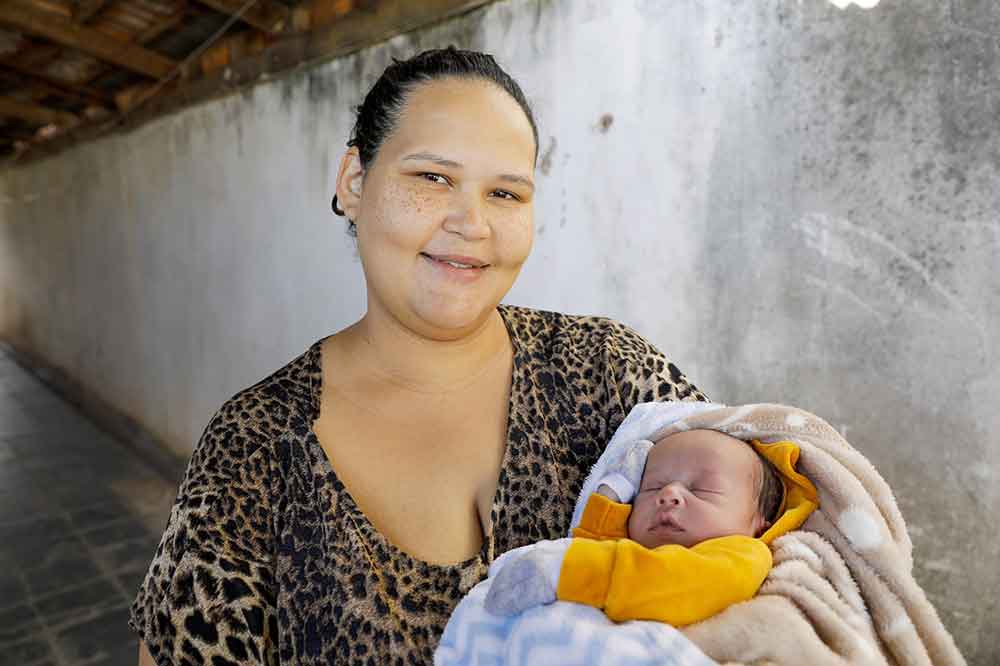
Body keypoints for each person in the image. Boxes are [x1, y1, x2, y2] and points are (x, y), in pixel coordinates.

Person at [131, 47, 707, 666]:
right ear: (354, 183)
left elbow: (781, 552)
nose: (472, 222)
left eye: (506, 193)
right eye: (432, 178)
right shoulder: (254, 447)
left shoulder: (609, 372)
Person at [483, 426, 817, 626]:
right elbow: (594, 550)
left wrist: (568, 574)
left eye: (701, 489)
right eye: (652, 486)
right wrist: (612, 497)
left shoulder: (745, 555)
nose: (669, 494)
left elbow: (674, 579)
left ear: (758, 523)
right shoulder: (628, 554)